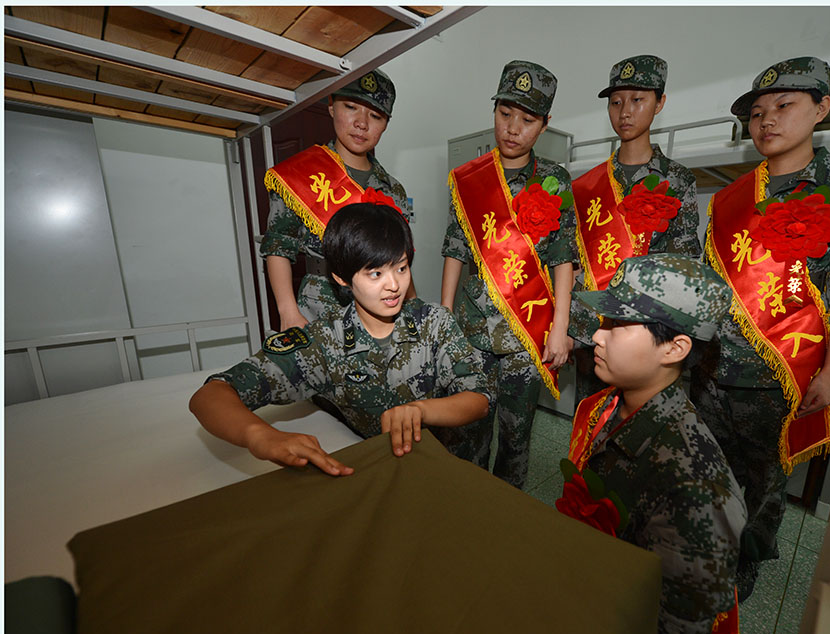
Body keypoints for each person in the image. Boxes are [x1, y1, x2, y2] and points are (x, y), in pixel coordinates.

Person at [692, 56, 830, 600]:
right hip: (711, 369)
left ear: (822, 109)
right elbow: (711, 285)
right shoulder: (732, 197)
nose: (768, 120)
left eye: (784, 105)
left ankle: (742, 572)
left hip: (780, 375)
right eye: (757, 113)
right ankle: (701, 551)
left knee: (763, 484)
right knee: (706, 470)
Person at [190, 203, 489, 474]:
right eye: (375, 274)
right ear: (342, 278)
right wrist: (260, 436)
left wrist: (420, 410)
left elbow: (478, 398)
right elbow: (210, 395)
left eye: (401, 268)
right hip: (376, 471)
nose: (394, 285)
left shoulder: (434, 322)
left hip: (442, 464)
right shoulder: (325, 342)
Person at [557, 253, 746, 634]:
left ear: (675, 348)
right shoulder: (606, 407)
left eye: (619, 325)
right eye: (604, 321)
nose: (598, 335)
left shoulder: (697, 489)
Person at [440, 60, 577, 489]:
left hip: (526, 335)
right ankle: (467, 507)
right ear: (494, 110)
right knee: (467, 433)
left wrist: (560, 328)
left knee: (516, 439)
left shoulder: (555, 179)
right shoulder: (470, 179)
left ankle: (506, 512)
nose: (512, 128)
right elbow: (455, 249)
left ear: (545, 124)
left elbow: (563, 257)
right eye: (505, 113)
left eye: (527, 120)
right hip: (471, 330)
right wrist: (444, 317)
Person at [570, 55, 702, 406]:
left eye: (637, 100)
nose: (624, 112)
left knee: (640, 422)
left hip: (645, 334)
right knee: (590, 418)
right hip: (591, 328)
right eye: (616, 102)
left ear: (660, 103)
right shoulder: (586, 185)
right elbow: (573, 262)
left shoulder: (677, 180)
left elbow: (685, 263)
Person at [261, 69, 414, 332]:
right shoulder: (299, 174)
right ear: (331, 106)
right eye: (351, 107)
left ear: (386, 124)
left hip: (383, 309)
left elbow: (399, 261)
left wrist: (412, 305)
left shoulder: (394, 190)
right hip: (320, 305)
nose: (362, 123)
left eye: (375, 116)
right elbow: (278, 246)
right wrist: (288, 312)